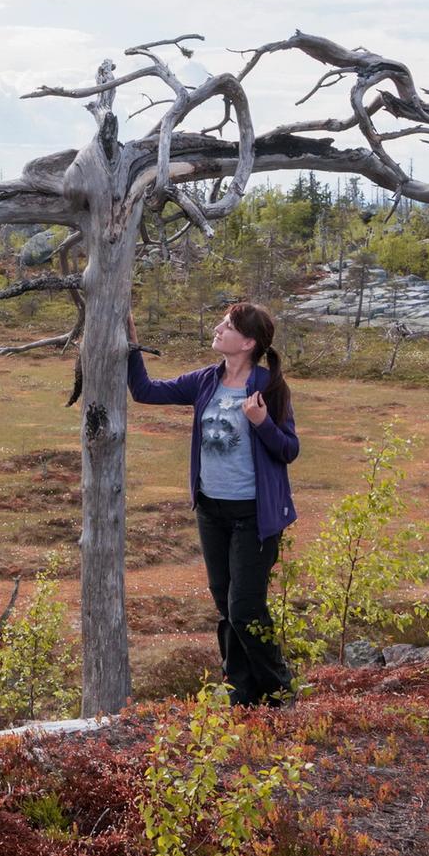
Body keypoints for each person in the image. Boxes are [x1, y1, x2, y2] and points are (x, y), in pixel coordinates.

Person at [127, 302, 299, 706]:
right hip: (211, 510)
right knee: (226, 605)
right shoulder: (206, 380)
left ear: (249, 342)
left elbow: (289, 450)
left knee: (245, 610)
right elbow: (145, 392)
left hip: (253, 516)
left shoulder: (268, 386)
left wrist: (262, 423)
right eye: (222, 322)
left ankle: (279, 690)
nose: (219, 328)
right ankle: (240, 692)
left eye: (228, 325)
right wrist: (132, 343)